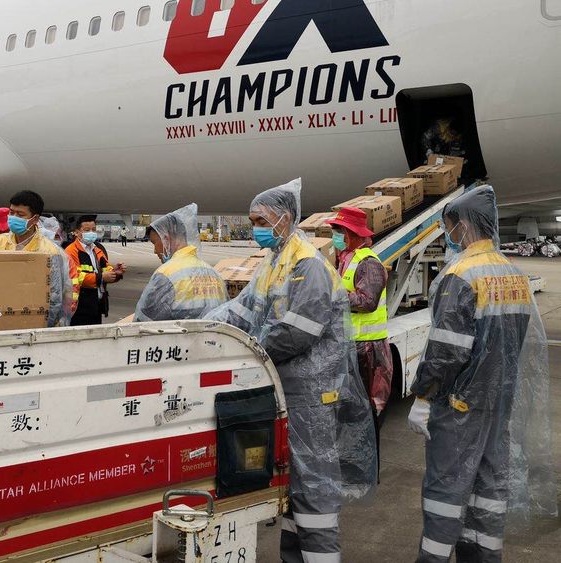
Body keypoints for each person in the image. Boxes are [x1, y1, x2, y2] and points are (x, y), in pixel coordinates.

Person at [205, 179, 376, 563]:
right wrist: (205, 327)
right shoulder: (274, 262)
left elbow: (296, 332)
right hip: (288, 390)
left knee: (314, 487)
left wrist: (251, 351)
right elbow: (242, 309)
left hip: (312, 395)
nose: (256, 229)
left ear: (284, 218)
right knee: (293, 485)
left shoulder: (307, 264)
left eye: (260, 221)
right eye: (252, 221)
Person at [407, 185, 556, 562]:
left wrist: (424, 396)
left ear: (465, 225)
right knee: (488, 495)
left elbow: (445, 351)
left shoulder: (460, 275)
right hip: (498, 405)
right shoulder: (515, 275)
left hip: (459, 409)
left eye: (450, 226)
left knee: (445, 496)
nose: (449, 234)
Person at [326, 205, 392, 476]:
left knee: (366, 412)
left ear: (352, 234)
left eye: (338, 231)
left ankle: (365, 472)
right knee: (349, 412)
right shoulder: (346, 259)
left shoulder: (368, 263)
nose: (335, 236)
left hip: (368, 351)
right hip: (352, 346)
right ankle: (351, 468)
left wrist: (332, 296)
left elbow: (367, 301)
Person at [0, 190, 76, 327]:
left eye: (20, 214)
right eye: (11, 212)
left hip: (31, 322)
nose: (13, 217)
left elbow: (54, 298)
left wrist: (42, 326)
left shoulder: (50, 252)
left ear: (35, 219)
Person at [134, 204, 226, 322]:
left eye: (154, 243)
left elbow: (142, 322)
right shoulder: (213, 273)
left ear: (166, 239)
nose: (155, 251)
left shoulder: (166, 275)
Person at [65, 215, 125, 325]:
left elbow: (107, 269)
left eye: (93, 230)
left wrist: (116, 273)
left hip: (96, 306)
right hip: (79, 307)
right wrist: (101, 277)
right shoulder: (71, 251)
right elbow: (77, 277)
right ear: (77, 232)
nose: (91, 233)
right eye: (87, 230)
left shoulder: (97, 250)